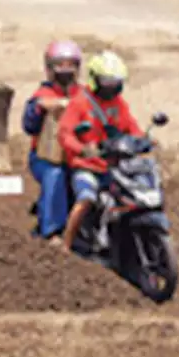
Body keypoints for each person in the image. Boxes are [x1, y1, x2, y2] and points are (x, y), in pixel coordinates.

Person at [59, 50, 145, 254]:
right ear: (95, 79)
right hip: (87, 167)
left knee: (134, 197)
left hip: (113, 165)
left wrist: (142, 140)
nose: (111, 87)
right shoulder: (80, 103)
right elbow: (65, 134)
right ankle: (65, 245)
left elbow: (131, 126)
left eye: (115, 82)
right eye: (107, 82)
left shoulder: (118, 104)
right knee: (86, 199)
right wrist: (82, 149)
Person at [22, 40, 83, 241]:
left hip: (79, 155)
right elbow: (28, 125)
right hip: (45, 158)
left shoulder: (84, 94)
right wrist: (41, 108)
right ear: (49, 68)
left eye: (70, 65)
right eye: (60, 65)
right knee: (54, 174)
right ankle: (52, 232)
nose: (65, 70)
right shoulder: (42, 95)